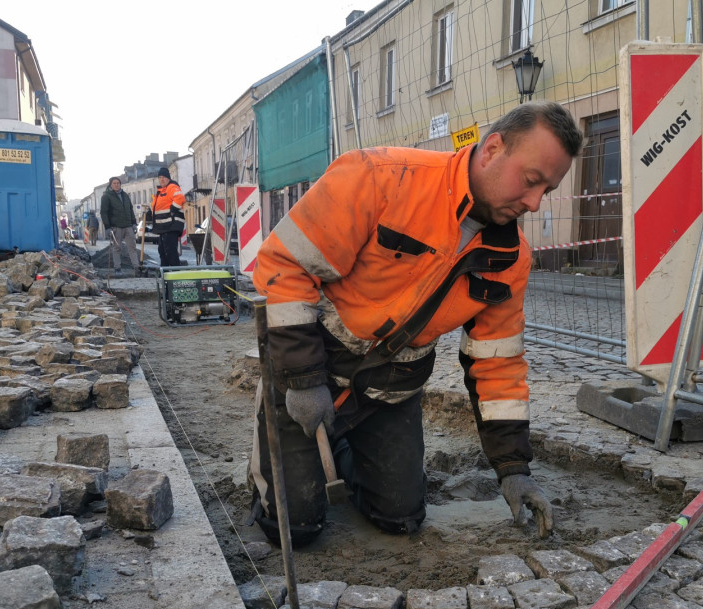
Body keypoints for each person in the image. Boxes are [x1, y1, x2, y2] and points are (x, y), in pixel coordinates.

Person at [249, 101, 583, 546]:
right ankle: (280, 458)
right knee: (293, 530)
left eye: (548, 189)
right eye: (530, 181)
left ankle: (343, 445)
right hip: (313, 367)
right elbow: (286, 266)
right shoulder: (379, 177)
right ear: (493, 149)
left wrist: (513, 471)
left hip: (390, 390)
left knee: (401, 519)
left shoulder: (511, 259)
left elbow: (497, 365)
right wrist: (302, 380)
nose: (535, 203)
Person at [100, 177, 139, 276]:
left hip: (128, 226)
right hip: (116, 226)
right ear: (111, 185)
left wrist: (134, 223)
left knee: (132, 247)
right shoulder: (107, 196)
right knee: (117, 248)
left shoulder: (125, 195)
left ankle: (137, 268)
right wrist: (107, 227)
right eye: (114, 183)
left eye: (118, 183)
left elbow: (130, 209)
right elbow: (104, 212)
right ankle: (117, 268)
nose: (117, 185)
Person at [148, 167, 185, 268]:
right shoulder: (161, 191)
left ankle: (175, 274)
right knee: (162, 251)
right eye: (160, 177)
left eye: (164, 177)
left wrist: (173, 209)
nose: (161, 179)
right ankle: (165, 272)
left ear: (168, 178)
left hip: (171, 225)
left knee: (170, 251)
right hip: (164, 226)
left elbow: (180, 198)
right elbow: (157, 207)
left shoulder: (172, 187)